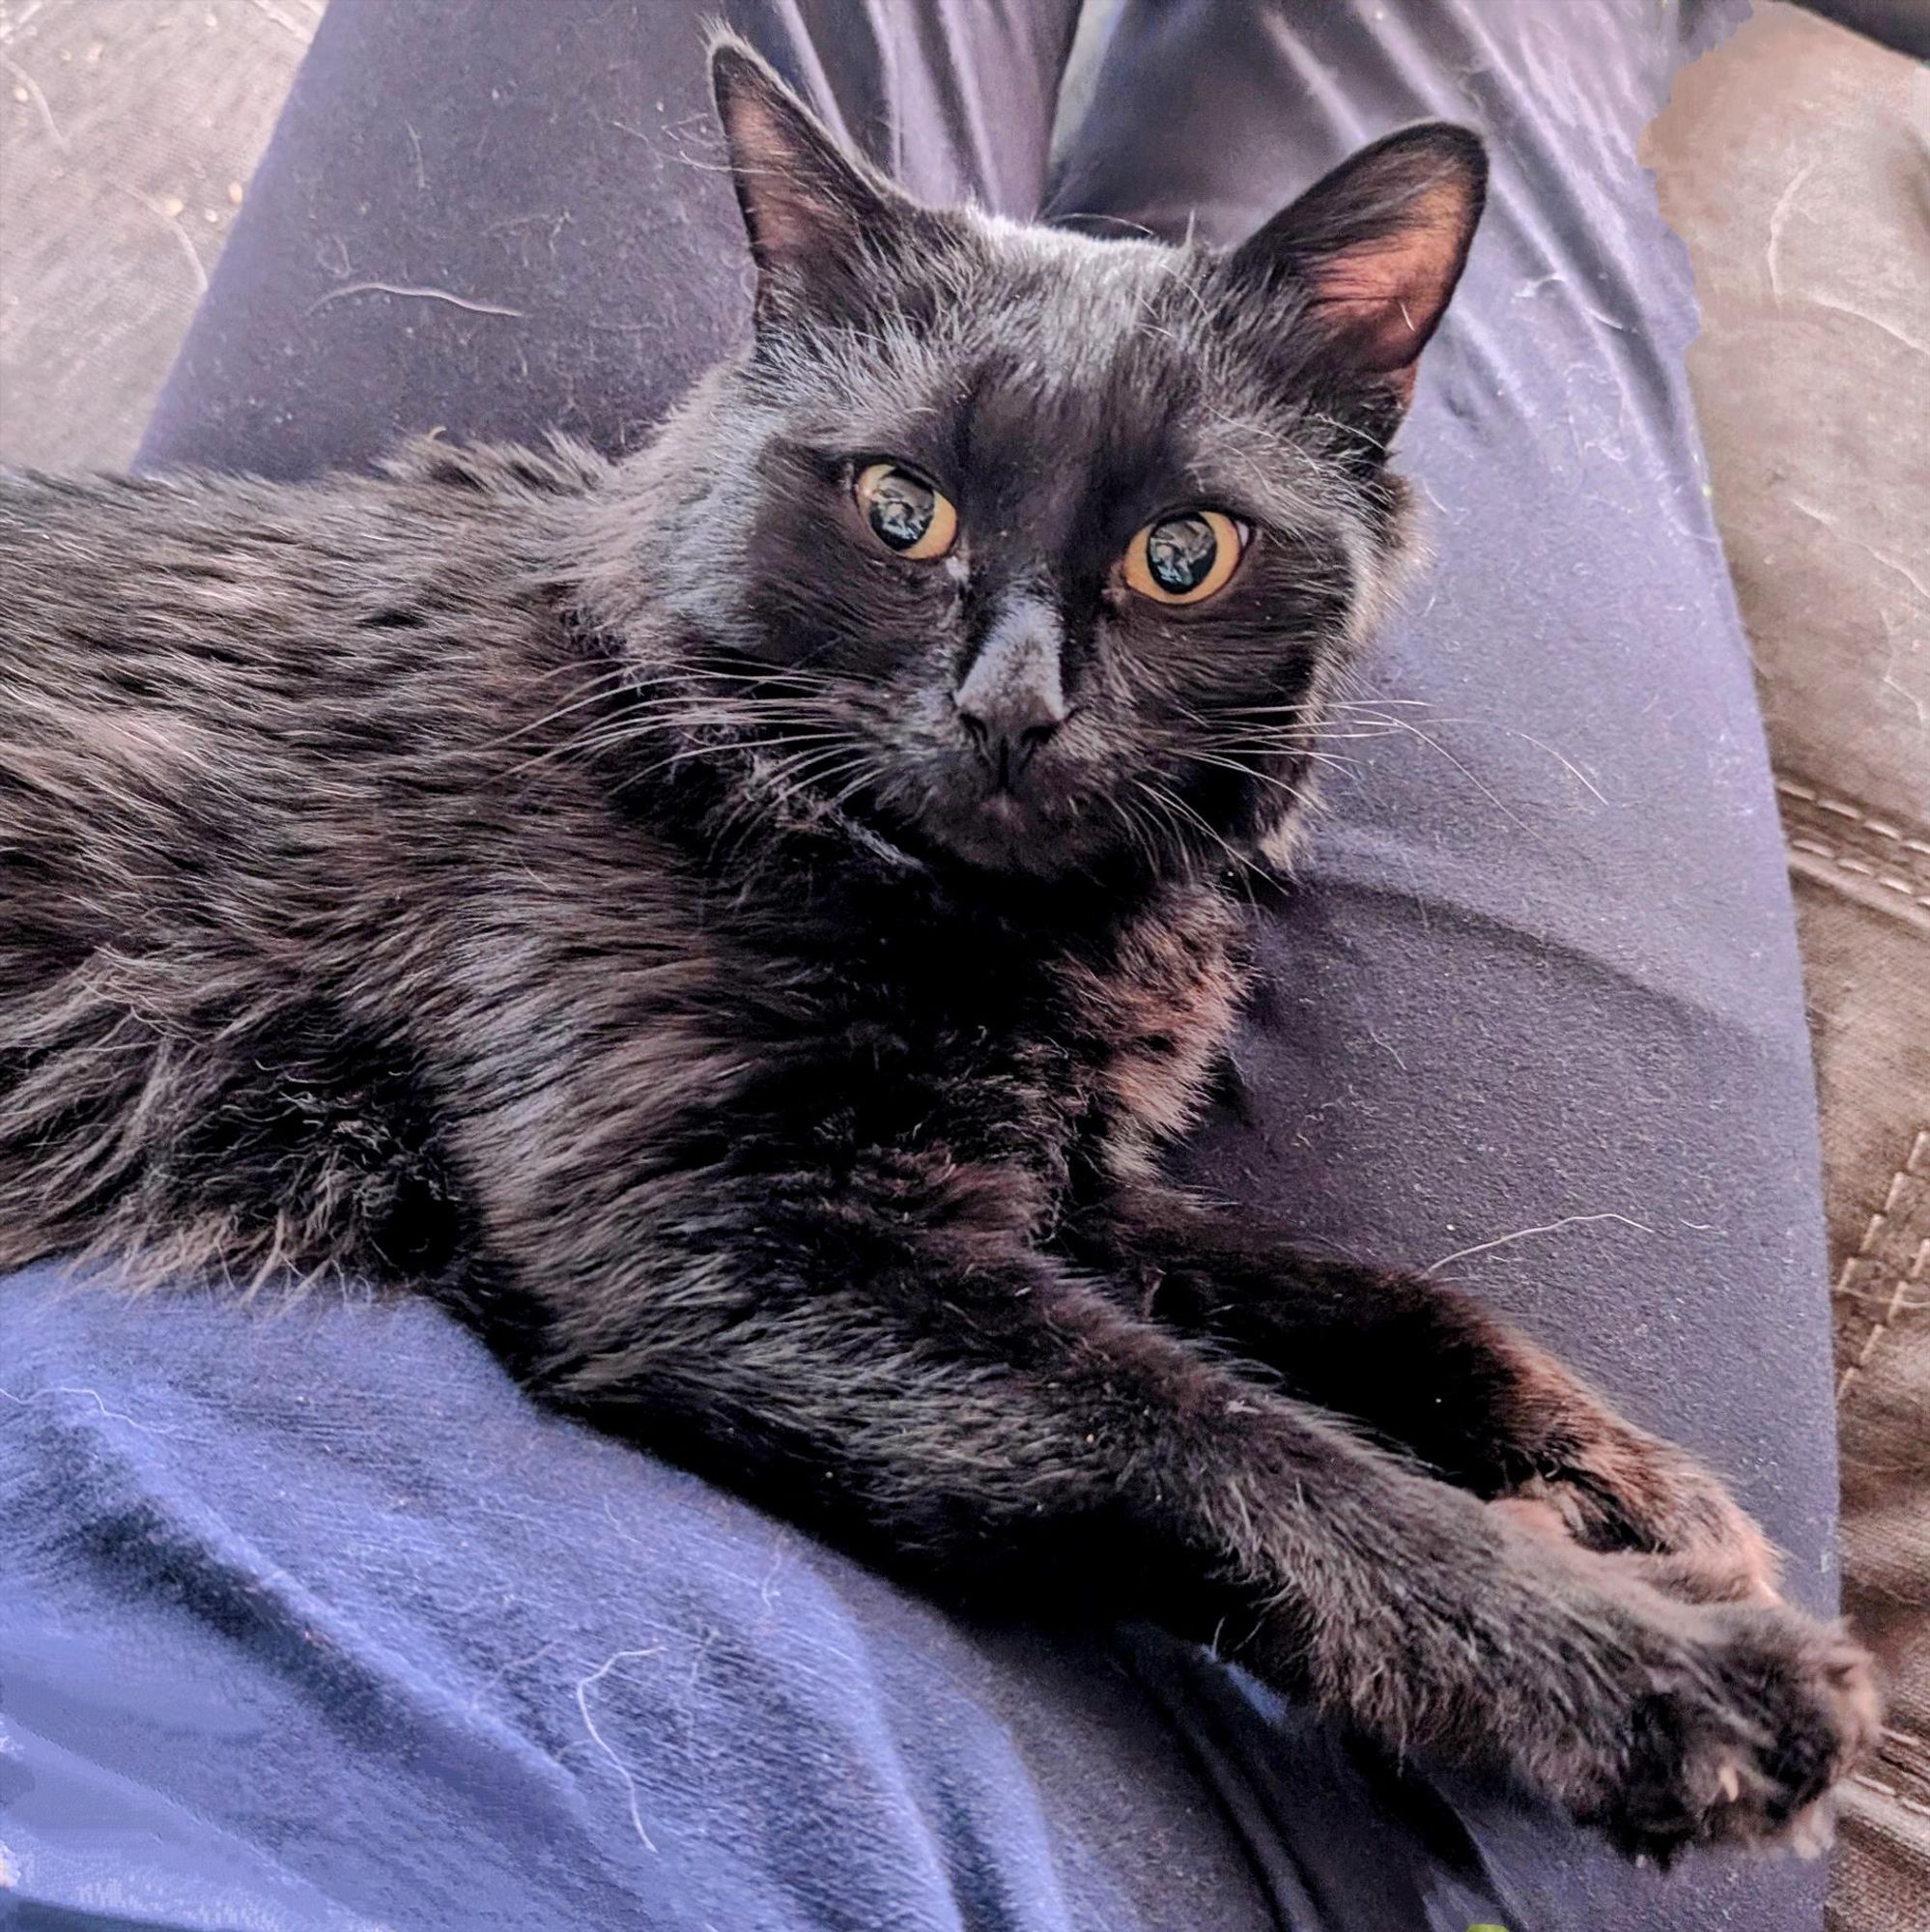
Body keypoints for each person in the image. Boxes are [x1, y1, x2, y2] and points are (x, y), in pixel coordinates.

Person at [1, 4, 1840, 1927]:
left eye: (1181, 564)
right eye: (904, 519)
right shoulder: (613, 789)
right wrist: (1444, 1593)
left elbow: (899, 1223)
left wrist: (1448, 1393)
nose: (1012, 702)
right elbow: (753, 1257)